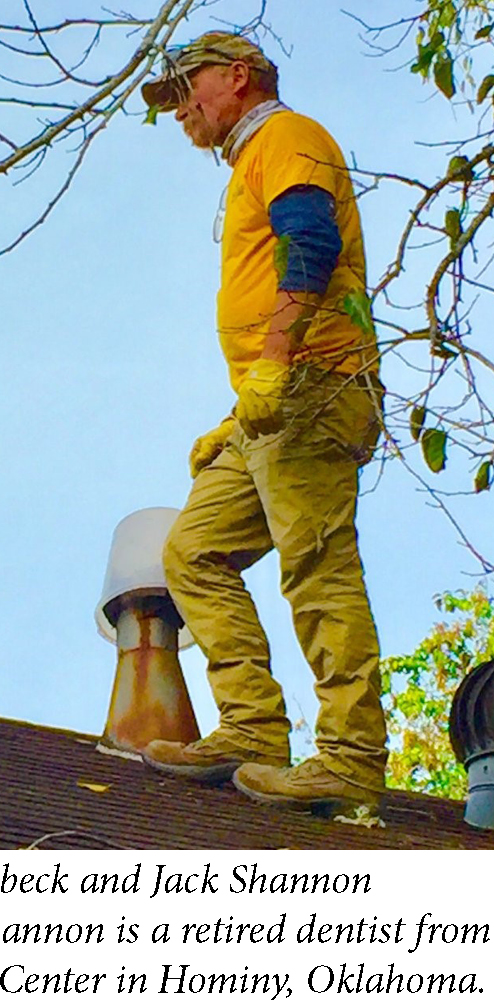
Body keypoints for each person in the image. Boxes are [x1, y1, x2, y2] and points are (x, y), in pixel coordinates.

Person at [139, 33, 387, 816]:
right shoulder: (254, 159)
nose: (180, 108)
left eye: (189, 87)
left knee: (316, 564)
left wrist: (277, 365)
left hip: (312, 385)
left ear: (237, 77)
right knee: (195, 549)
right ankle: (250, 728)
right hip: (273, 402)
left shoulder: (286, 135)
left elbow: (311, 244)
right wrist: (236, 411)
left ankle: (350, 757)